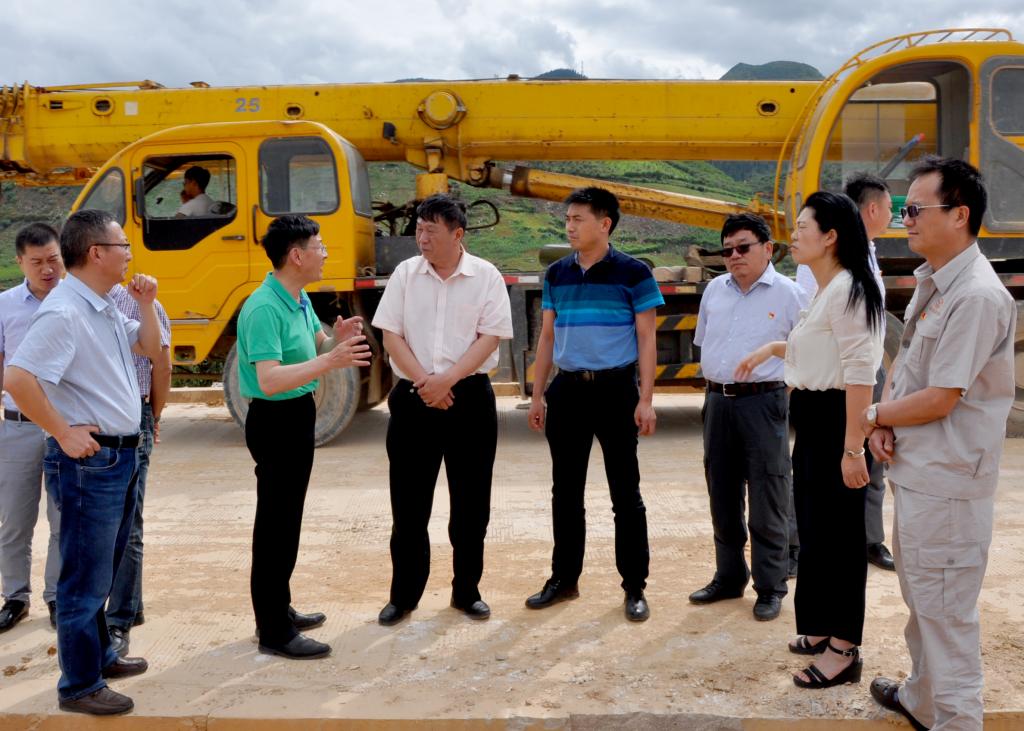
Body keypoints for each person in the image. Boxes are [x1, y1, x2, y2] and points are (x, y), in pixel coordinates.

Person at [865, 158, 1014, 731]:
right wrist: (886, 422)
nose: (904, 219)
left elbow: (941, 397)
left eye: (914, 209)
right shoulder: (936, 280)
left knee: (947, 615)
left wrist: (871, 415)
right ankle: (921, 700)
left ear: (959, 215)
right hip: (922, 473)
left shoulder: (975, 296)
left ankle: (954, 718)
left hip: (948, 484)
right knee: (925, 601)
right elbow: (911, 370)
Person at [4, 209, 163, 715]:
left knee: (103, 569)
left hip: (118, 454)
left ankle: (100, 659)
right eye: (123, 246)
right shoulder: (65, 311)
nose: (129, 255)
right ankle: (78, 685)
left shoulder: (100, 304)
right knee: (83, 578)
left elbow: (150, 347)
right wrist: (62, 431)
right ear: (97, 253)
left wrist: (147, 304)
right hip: (91, 461)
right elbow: (18, 379)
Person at [736, 191, 883, 689]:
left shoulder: (850, 290)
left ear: (831, 236)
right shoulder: (826, 289)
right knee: (818, 532)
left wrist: (853, 447)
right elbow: (820, 350)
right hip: (817, 420)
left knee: (841, 540)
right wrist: (771, 349)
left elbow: (860, 373)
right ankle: (821, 627)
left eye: (802, 227)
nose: (794, 235)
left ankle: (844, 649)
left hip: (838, 421)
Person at [373, 194, 513, 627]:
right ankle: (404, 595)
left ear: (457, 234)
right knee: (408, 506)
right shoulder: (405, 274)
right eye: (419, 229)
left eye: (431, 230)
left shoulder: (485, 276)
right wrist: (426, 383)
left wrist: (446, 380)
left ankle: (466, 591)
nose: (422, 238)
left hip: (468, 400)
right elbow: (391, 335)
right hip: (414, 398)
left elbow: (489, 338)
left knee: (471, 505)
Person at [525, 187, 663, 622]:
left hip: (616, 391)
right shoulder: (557, 274)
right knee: (565, 492)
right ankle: (564, 579)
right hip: (567, 391)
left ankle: (634, 586)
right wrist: (537, 394)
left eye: (578, 219)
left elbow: (647, 338)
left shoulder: (634, 273)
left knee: (626, 493)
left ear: (604, 224)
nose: (569, 226)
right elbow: (547, 337)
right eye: (567, 218)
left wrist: (646, 399)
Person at [236, 214, 370, 659]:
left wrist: (336, 340)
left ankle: (280, 608)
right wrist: (330, 362)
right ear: (296, 256)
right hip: (274, 419)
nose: (325, 253)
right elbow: (270, 379)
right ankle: (273, 630)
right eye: (319, 246)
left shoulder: (297, 298)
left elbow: (315, 345)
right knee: (274, 525)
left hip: (297, 415)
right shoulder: (263, 307)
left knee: (287, 520)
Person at [688, 213, 808, 622]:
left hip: (764, 402)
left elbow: (808, 351)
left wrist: (779, 393)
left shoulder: (790, 294)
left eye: (743, 247)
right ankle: (728, 576)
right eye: (727, 250)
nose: (734, 256)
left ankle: (770, 585)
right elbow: (704, 341)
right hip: (718, 402)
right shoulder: (714, 291)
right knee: (721, 493)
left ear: (768, 249)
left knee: (767, 495)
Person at [795, 172, 896, 572]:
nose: (894, 216)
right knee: (824, 492)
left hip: (856, 379)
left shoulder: (858, 268)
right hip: (836, 384)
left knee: (866, 466)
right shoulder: (828, 270)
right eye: (890, 208)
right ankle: (809, 546)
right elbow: (816, 328)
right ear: (871, 209)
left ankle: (870, 539)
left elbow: (858, 359)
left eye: (802, 227)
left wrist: (854, 448)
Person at [0, 223, 64, 634]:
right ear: (20, 262)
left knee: (63, 519)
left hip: (64, 428)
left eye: (53, 260)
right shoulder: (4, 305)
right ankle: (15, 596)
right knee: (14, 519)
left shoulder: (76, 301)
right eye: (37, 262)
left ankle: (57, 596)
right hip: (18, 427)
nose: (47, 269)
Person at [104, 284, 172, 655]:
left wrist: (153, 416)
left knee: (127, 523)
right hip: (115, 417)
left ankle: (119, 619)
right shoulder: (74, 304)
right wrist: (154, 415)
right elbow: (164, 366)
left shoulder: (142, 304)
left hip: (132, 417)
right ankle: (131, 606)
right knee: (125, 520)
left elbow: (162, 364)